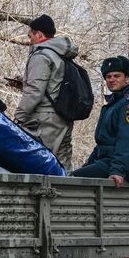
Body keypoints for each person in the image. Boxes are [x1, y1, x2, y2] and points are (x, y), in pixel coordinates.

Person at [72, 56, 129, 185]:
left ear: (127, 78)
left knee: (73, 180)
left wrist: (118, 171)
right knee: (74, 174)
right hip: (111, 161)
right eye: (108, 76)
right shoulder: (116, 103)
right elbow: (104, 142)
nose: (111, 80)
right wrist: (90, 161)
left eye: (117, 76)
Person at [13, 14, 81, 168]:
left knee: (40, 165)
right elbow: (52, 85)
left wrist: (19, 117)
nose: (30, 39)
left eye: (31, 35)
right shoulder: (61, 54)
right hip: (63, 118)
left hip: (45, 121)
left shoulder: (42, 55)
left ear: (39, 34)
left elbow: (35, 91)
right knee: (63, 166)